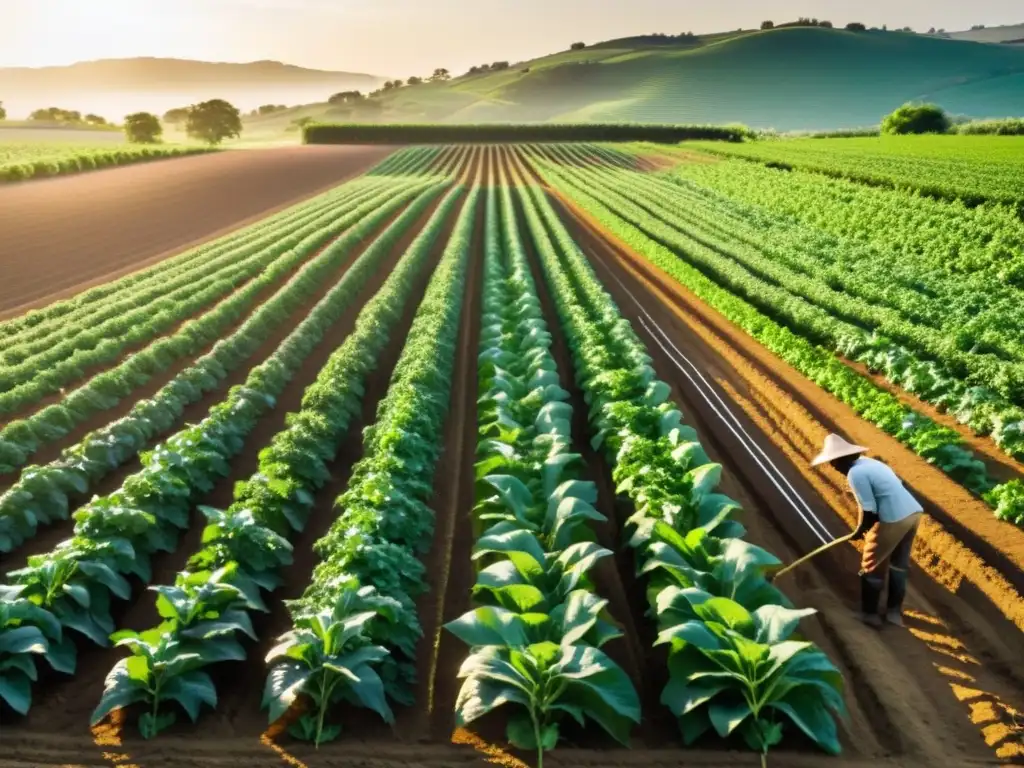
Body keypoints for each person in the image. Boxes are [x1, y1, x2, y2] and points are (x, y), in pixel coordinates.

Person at [811, 434, 923, 628]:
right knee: (899, 564)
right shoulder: (872, 464)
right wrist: (864, 528)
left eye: (833, 462)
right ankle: (894, 613)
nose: (833, 467)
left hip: (893, 518)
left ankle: (870, 614)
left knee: (871, 565)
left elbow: (869, 510)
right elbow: (897, 486)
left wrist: (859, 531)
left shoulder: (855, 474)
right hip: (913, 513)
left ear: (840, 459)